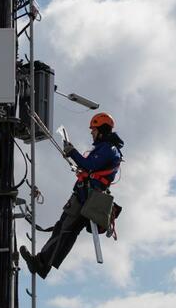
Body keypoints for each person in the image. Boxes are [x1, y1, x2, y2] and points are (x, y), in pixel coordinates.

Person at [20, 112, 124, 277]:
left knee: (66, 230)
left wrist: (72, 152)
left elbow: (89, 165)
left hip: (86, 198)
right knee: (63, 229)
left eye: (94, 130)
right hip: (83, 196)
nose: (92, 133)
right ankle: (41, 263)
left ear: (102, 130)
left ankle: (41, 263)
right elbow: (90, 168)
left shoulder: (109, 149)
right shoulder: (105, 149)